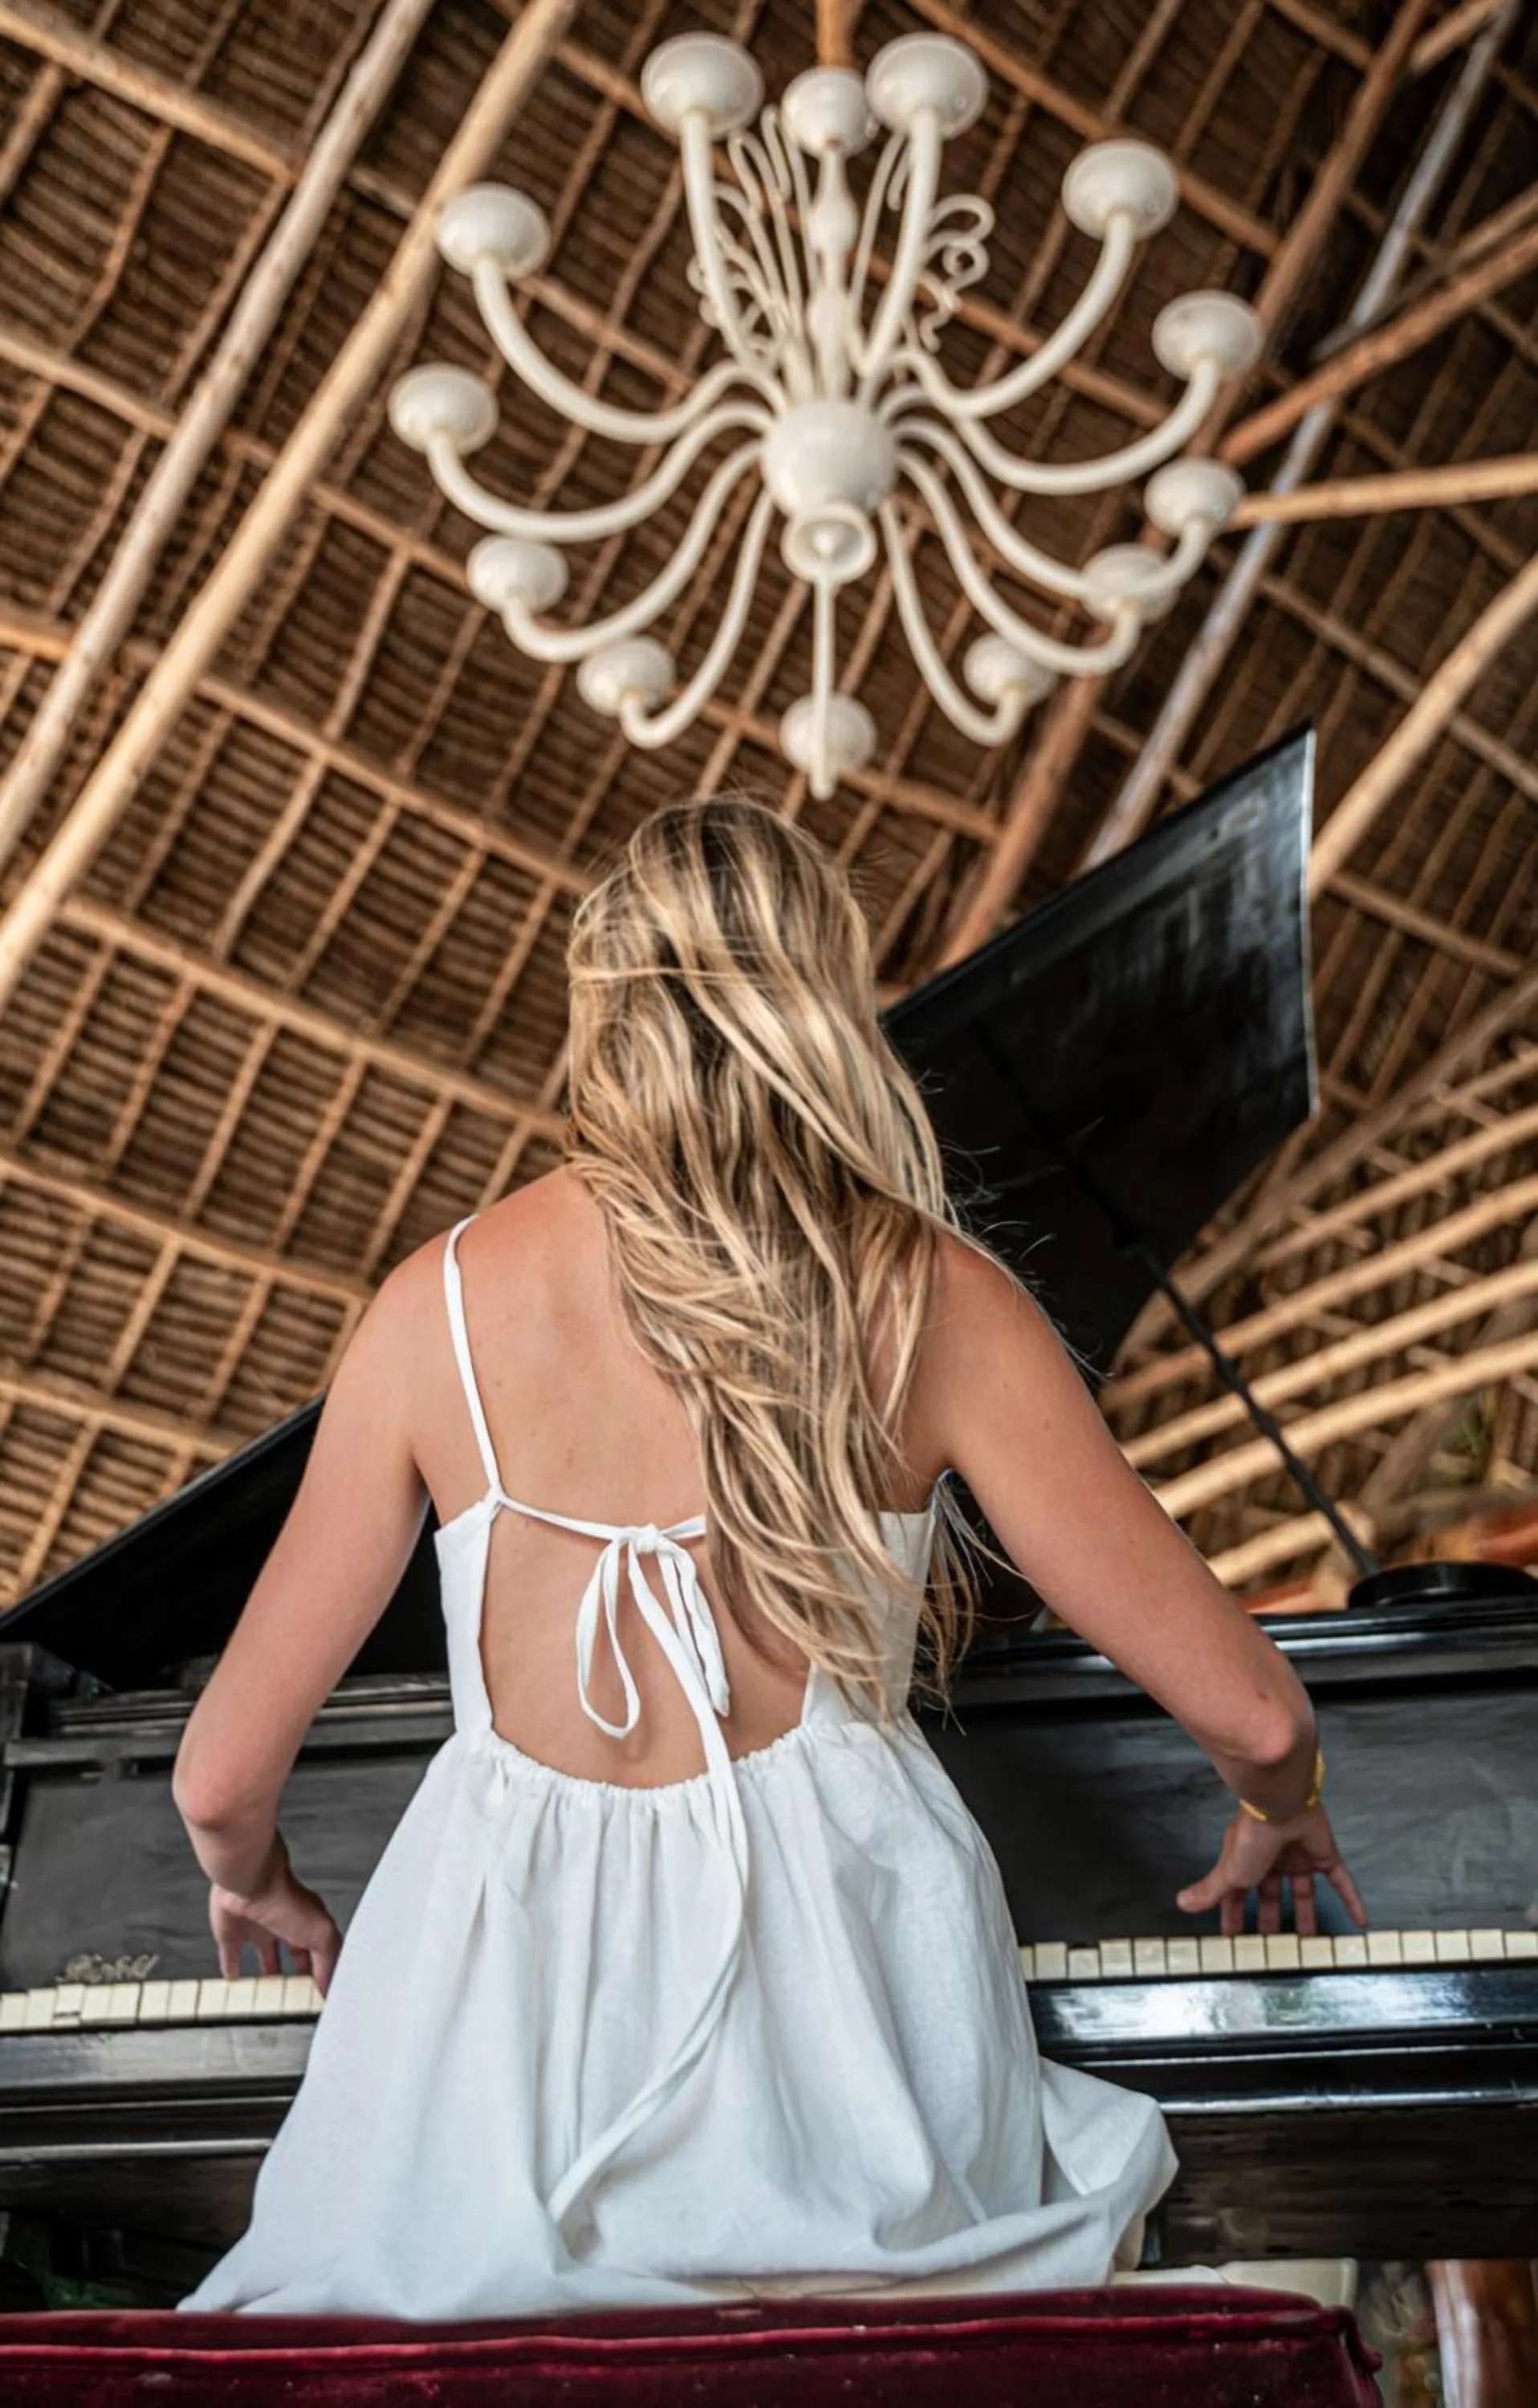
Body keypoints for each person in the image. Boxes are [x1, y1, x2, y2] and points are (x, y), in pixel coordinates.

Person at [173, 796, 1365, 2319]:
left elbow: (218, 1781)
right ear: (818, 999)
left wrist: (260, 1882)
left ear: (600, 1006)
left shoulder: (437, 1307)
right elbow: (1261, 1717)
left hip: (489, 2083)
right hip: (847, 2056)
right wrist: (1284, 1809)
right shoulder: (932, 1297)